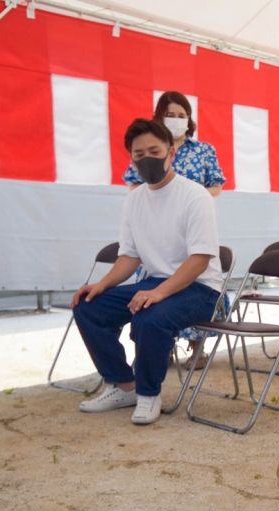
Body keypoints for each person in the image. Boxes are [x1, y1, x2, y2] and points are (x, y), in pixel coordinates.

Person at [74, 118, 222, 425]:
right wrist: (100, 285)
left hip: (200, 288)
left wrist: (157, 293)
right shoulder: (134, 199)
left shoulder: (195, 196)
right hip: (158, 282)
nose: (148, 158)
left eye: (154, 150)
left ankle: (148, 394)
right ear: (131, 159)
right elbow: (129, 256)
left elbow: (200, 260)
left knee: (149, 316)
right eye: (139, 155)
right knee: (89, 306)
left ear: (170, 152)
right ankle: (123, 385)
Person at [124, 91, 227, 370]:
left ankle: (197, 348)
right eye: (171, 114)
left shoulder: (203, 150)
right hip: (157, 234)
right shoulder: (148, 148)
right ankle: (158, 348)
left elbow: (217, 184)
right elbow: (134, 182)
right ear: (159, 116)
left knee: (193, 281)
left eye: (182, 116)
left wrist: (190, 198)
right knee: (150, 293)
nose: (177, 120)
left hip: (191, 225)